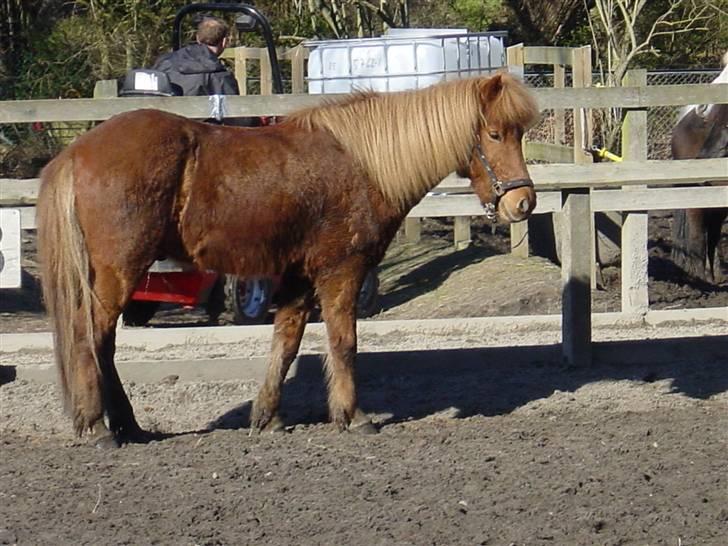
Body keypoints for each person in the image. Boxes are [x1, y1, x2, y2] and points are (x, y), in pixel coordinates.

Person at [153, 16, 239, 96]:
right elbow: (233, 107)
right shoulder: (222, 77)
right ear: (224, 42)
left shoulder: (164, 63)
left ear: (197, 38)